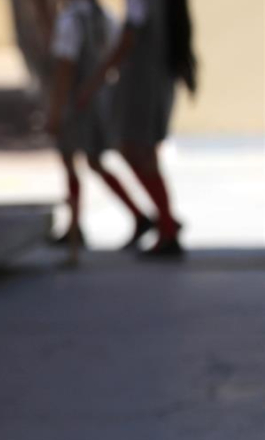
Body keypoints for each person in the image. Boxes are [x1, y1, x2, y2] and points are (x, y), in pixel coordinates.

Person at [80, 0, 198, 256]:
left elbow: (128, 38)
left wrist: (96, 78)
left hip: (143, 84)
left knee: (135, 150)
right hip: (154, 82)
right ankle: (164, 222)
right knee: (142, 153)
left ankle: (166, 225)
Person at [46, 0, 152, 256]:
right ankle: (133, 216)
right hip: (98, 98)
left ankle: (75, 227)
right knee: (94, 160)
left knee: (72, 158)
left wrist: (57, 109)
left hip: (78, 99)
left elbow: (65, 66)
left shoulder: (72, 20)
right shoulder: (103, 16)